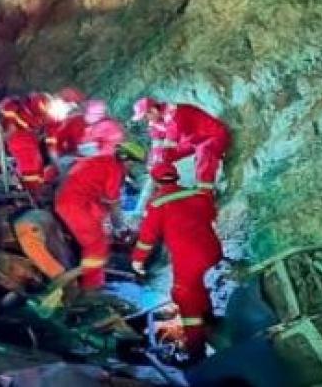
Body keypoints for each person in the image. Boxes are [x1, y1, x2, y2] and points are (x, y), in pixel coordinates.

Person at [130, 163, 223, 360]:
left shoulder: (157, 204)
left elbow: (147, 238)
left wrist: (137, 261)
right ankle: (210, 321)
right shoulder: (198, 194)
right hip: (213, 251)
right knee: (202, 288)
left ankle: (197, 353)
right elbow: (212, 216)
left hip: (189, 257)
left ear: (155, 181)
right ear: (176, 176)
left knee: (185, 296)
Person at [53, 148, 128, 293]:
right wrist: (120, 227)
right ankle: (72, 282)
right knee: (97, 247)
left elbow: (102, 198)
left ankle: (96, 282)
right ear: (127, 161)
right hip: (73, 205)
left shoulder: (100, 160)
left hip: (72, 200)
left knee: (99, 240)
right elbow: (114, 203)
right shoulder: (115, 169)